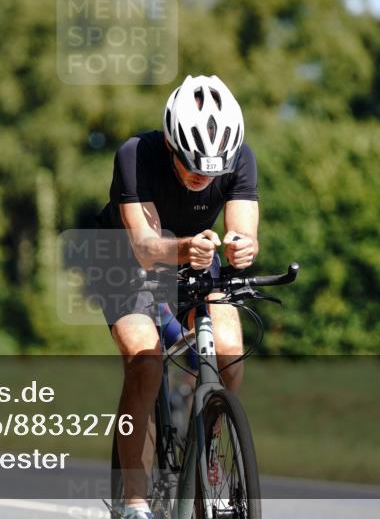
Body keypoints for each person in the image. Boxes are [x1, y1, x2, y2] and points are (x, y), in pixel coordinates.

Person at [94, 75, 259, 519]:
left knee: (228, 350)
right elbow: (145, 247)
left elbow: (244, 230)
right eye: (191, 165)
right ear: (170, 143)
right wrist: (185, 248)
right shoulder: (136, 155)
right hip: (124, 263)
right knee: (145, 361)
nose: (201, 176)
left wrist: (243, 246)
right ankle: (133, 502)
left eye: (213, 171)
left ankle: (210, 452)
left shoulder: (240, 158)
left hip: (198, 261)